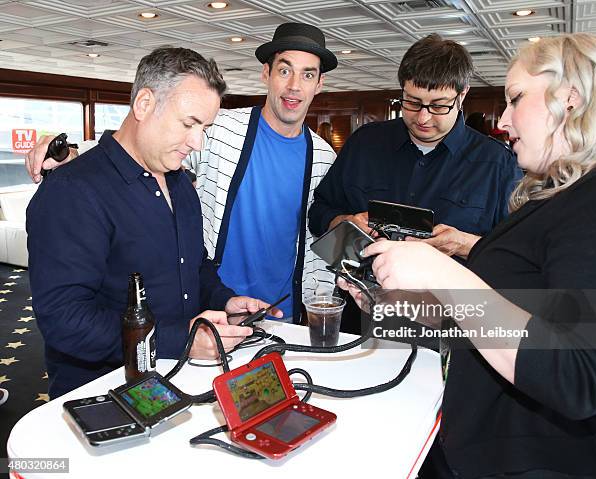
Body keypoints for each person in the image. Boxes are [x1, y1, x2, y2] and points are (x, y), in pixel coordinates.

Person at [344, 33, 596, 478]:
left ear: (570, 98)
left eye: (515, 99)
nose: (503, 119)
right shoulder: (560, 197)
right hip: (479, 449)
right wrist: (393, 308)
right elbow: (519, 313)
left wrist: (442, 270)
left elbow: (581, 375)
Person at [25, 22, 337, 324]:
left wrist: (316, 299)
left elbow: (316, 237)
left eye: (307, 75)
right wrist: (74, 152)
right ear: (267, 74)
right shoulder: (220, 128)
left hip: (282, 309)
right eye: (284, 70)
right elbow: (137, 144)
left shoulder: (324, 157)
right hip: (213, 311)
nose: (294, 85)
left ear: (319, 83)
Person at [27, 47, 278, 399]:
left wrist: (224, 301)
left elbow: (193, 266)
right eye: (189, 124)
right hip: (105, 392)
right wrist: (181, 340)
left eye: (204, 127)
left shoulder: (179, 182)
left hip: (181, 380)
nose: (197, 142)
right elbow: (65, 320)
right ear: (144, 105)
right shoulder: (73, 191)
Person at [309, 34, 522, 262]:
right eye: (412, 102)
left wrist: (466, 245)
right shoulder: (364, 143)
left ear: (462, 95)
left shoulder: (498, 163)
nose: (423, 118)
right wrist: (341, 222)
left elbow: (520, 252)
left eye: (439, 106)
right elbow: (320, 210)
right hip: (359, 292)